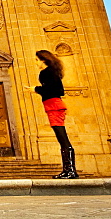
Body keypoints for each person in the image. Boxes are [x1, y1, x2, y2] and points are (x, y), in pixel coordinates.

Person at [31, 49, 78, 179]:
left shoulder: (46, 73)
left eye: (36, 60)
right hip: (54, 105)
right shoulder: (52, 72)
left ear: (43, 60)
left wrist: (35, 89)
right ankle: (69, 170)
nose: (36, 63)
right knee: (62, 137)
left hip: (54, 106)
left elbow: (55, 90)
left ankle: (70, 170)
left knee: (62, 138)